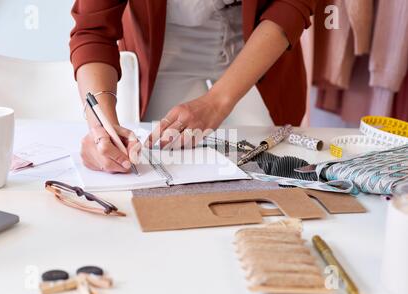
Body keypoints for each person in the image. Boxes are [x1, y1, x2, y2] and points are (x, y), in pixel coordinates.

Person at [70, 0, 316, 173]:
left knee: (270, 165)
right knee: (167, 166)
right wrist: (101, 127)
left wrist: (218, 101)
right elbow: (93, 29)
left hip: (256, 51)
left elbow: (292, 4)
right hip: (164, 55)